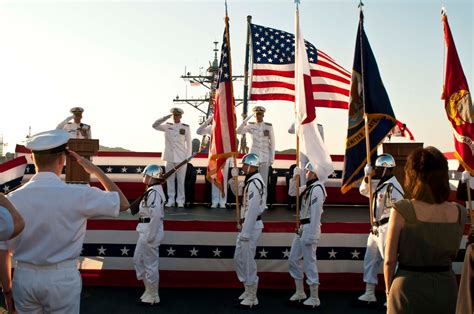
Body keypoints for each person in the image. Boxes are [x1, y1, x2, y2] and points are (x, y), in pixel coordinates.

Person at [0, 129, 129, 314]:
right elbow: (123, 203)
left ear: (34, 160)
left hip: (24, 277)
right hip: (62, 279)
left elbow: (2, 251)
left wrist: (7, 290)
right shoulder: (78, 194)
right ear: (62, 159)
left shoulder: (12, 198)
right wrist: (93, 169)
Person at [384, 146, 466, 314]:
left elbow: (389, 260)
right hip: (446, 289)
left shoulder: (401, 209)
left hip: (407, 289)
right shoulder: (459, 212)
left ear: (412, 175)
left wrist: (388, 290)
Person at [358, 153, 404, 304]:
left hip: (386, 227)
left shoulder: (393, 187)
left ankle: (391, 295)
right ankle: (369, 292)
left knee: (389, 261)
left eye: (378, 168)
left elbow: (397, 210)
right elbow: (364, 191)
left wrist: (393, 231)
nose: (375, 171)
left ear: (387, 169)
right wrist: (366, 176)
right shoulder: (381, 183)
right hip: (376, 229)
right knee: (370, 261)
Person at [228, 153, 265, 308]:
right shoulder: (251, 181)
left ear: (251, 165)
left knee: (248, 260)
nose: (242, 167)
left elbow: (253, 209)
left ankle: (252, 295)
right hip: (246, 225)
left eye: (244, 165)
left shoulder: (255, 182)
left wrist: (246, 232)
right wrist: (233, 180)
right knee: (239, 258)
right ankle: (247, 287)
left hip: (251, 226)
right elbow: (238, 194)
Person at [287, 162, 326, 308]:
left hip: (310, 226)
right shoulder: (309, 187)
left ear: (315, 173)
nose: (306, 173)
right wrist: (294, 176)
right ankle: (300, 292)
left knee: (309, 262)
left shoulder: (317, 189)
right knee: (293, 259)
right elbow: (292, 192)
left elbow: (316, 213)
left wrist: (313, 233)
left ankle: (314, 297)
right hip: (302, 227)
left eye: (308, 171)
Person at [133, 164, 166, 306]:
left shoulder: (154, 193)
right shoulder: (151, 191)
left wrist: (151, 236)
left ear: (152, 176)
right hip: (144, 229)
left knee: (150, 264)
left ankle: (153, 295)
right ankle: (148, 290)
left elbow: (156, 215)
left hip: (149, 231)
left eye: (146, 174)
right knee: (138, 260)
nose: (144, 176)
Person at [152, 107, 192, 208]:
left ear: (181, 116)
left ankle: (180, 200)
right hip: (169, 157)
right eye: (174, 115)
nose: (175, 117)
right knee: (169, 179)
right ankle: (171, 199)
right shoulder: (167, 126)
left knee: (180, 180)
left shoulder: (185, 127)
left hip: (181, 158)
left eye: (177, 115)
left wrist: (187, 157)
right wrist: (165, 117)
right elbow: (154, 125)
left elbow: (189, 143)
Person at [236, 106, 275, 207]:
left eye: (260, 114)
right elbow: (238, 131)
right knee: (251, 179)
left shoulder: (268, 126)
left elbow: (273, 143)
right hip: (253, 159)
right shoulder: (250, 126)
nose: (258, 116)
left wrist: (272, 158)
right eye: (256, 114)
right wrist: (245, 120)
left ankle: (263, 203)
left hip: (265, 157)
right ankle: (250, 201)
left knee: (264, 181)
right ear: (254, 115)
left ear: (263, 115)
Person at [196, 115, 229, 208]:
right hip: (214, 156)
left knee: (223, 179)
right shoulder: (211, 127)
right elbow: (199, 131)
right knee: (214, 177)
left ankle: (223, 201)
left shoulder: (226, 127)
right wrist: (208, 120)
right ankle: (215, 200)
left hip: (224, 156)